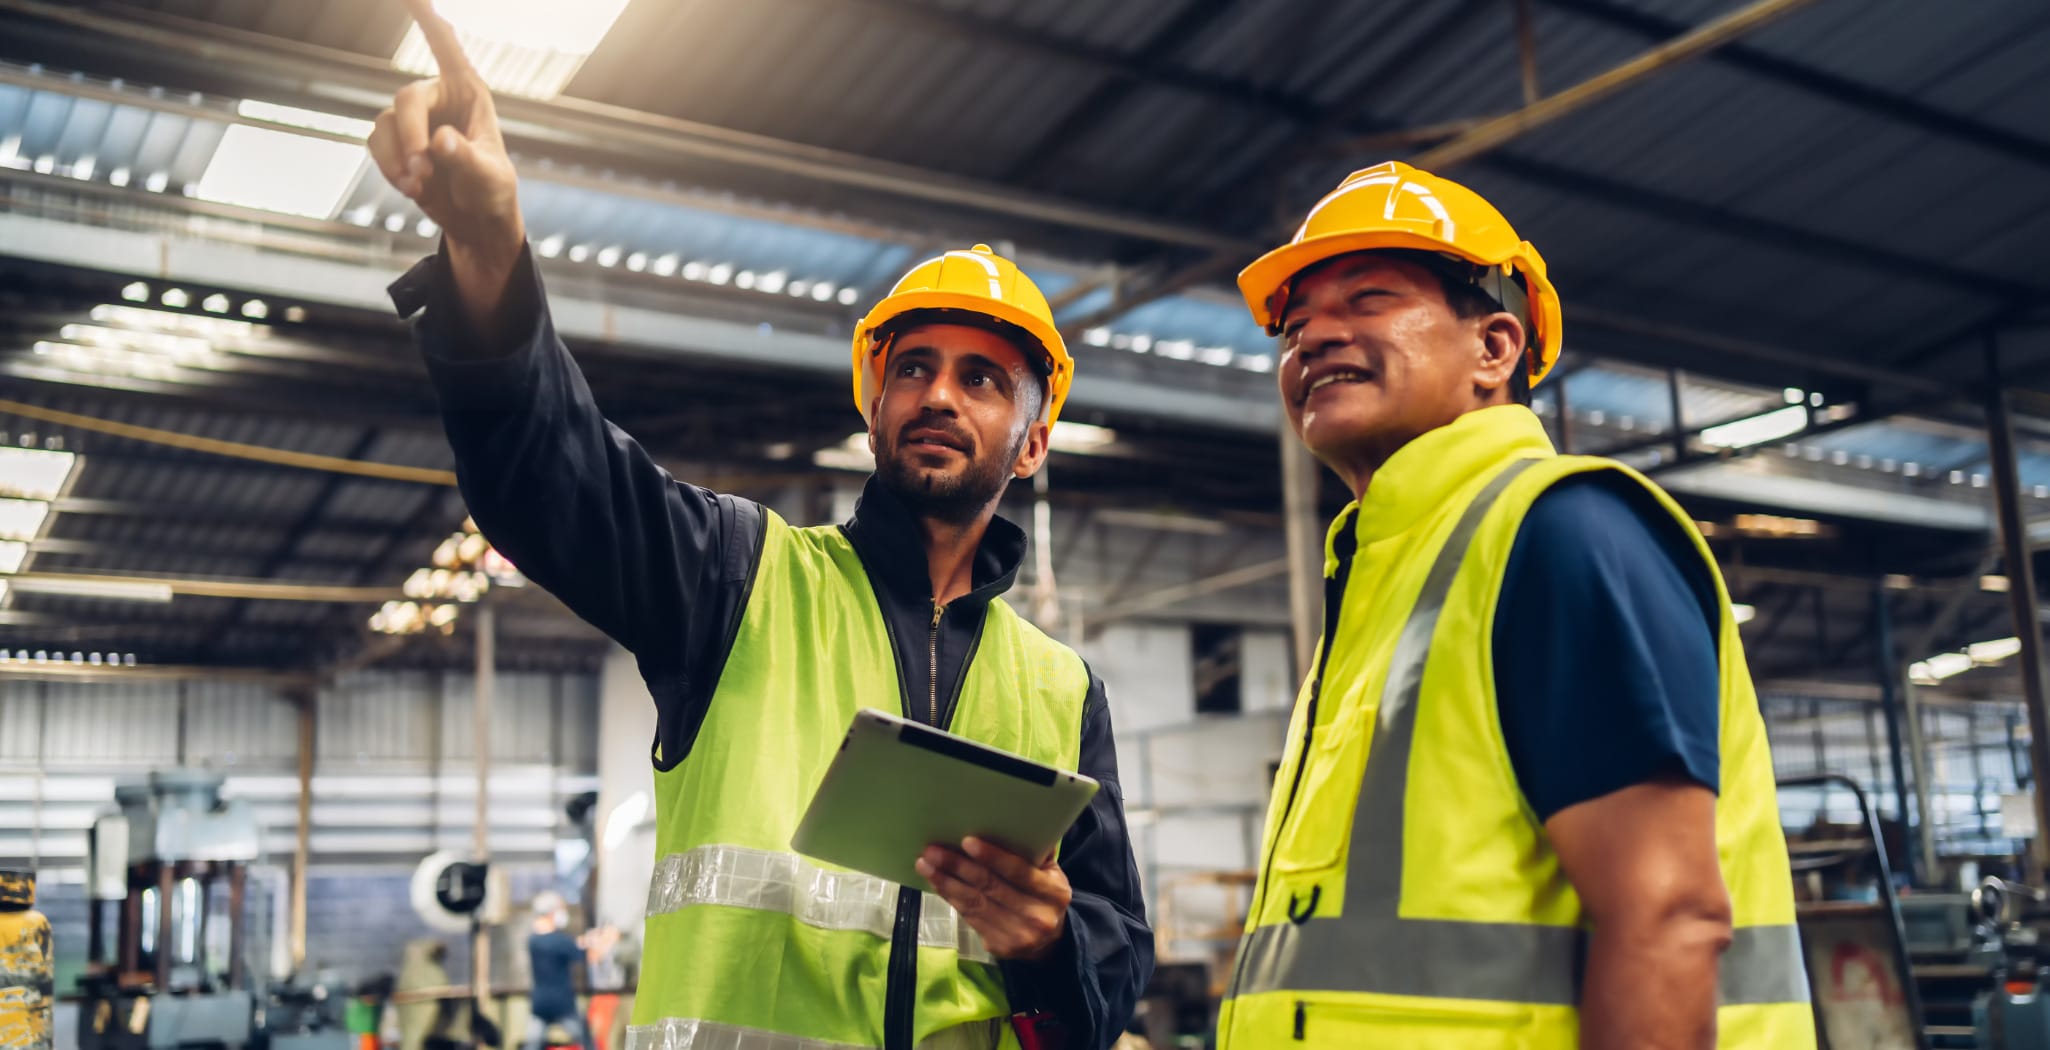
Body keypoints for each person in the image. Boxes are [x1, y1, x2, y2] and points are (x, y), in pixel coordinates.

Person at [367, 5, 1151, 1048]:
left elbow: (1105, 974)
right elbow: (548, 476)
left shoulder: (1062, 690)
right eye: (911, 368)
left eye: (981, 379)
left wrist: (1045, 950)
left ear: (1033, 441)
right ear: (872, 408)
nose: (938, 396)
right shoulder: (737, 578)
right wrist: (488, 248)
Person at [1213, 161, 1815, 1049]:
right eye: (1296, 324)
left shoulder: (1559, 532)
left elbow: (1669, 917)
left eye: (1368, 299)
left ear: (1495, 349)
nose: (1313, 338)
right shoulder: (1385, 578)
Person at [523, 892, 593, 1050]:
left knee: (532, 1044)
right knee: (586, 1041)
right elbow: (583, 954)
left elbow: (570, 946)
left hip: (539, 1003)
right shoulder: (560, 941)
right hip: (563, 1004)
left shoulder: (534, 941)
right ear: (551, 913)